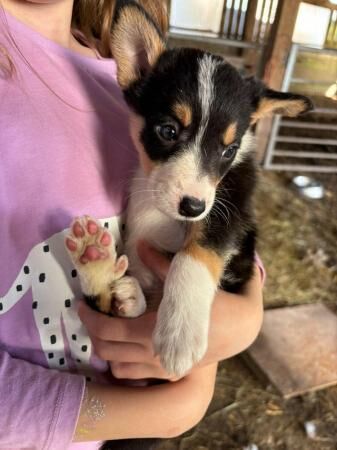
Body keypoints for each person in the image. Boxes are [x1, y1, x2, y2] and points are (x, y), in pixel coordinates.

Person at [0, 0, 264, 449]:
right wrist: (167, 412)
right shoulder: (145, 80)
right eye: (168, 134)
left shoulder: (123, 75)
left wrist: (245, 316)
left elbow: (224, 213)